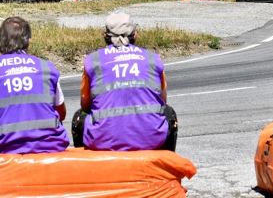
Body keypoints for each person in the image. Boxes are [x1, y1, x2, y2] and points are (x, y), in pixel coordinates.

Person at [72, 13, 177, 151]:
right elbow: (162, 101)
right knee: (169, 113)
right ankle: (165, 164)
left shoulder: (93, 60)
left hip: (102, 141)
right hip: (151, 139)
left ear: (105, 36)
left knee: (79, 117)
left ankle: (88, 166)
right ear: (135, 35)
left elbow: (85, 106)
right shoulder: (152, 58)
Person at [0, 17, 69, 154]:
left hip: (7, 149)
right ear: (28, 42)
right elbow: (61, 113)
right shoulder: (47, 67)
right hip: (50, 148)